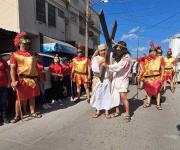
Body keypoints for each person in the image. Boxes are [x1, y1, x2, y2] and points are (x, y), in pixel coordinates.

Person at [10, 32, 41, 123]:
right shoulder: (15, 54)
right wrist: (13, 81)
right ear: (19, 44)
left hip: (33, 79)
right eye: (24, 44)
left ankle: (32, 112)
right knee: (19, 98)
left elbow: (35, 67)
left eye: (28, 44)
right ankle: (17, 115)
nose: (26, 45)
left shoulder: (32, 55)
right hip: (22, 79)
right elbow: (12, 69)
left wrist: (39, 75)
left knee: (32, 96)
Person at [102, 41, 132, 122]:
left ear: (123, 49)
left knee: (123, 97)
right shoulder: (117, 57)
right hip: (116, 79)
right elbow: (109, 54)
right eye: (117, 48)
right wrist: (112, 44)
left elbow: (119, 67)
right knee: (115, 96)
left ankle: (127, 113)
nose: (118, 49)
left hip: (123, 80)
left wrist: (107, 66)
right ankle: (117, 111)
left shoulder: (127, 56)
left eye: (119, 48)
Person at [138, 41, 165, 110]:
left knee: (157, 92)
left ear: (156, 52)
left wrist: (161, 77)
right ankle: (148, 103)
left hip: (156, 78)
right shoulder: (146, 59)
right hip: (147, 78)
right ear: (149, 52)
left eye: (154, 51)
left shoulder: (160, 58)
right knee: (148, 91)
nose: (152, 53)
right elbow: (141, 64)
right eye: (150, 51)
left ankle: (158, 104)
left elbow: (162, 69)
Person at [90, 44, 111, 119]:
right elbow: (94, 69)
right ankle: (98, 111)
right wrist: (101, 63)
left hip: (107, 79)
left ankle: (106, 111)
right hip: (98, 79)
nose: (103, 52)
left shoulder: (109, 58)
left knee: (107, 95)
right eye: (101, 50)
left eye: (104, 50)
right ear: (99, 51)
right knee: (98, 95)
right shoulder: (96, 58)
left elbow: (112, 68)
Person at [0, 57, 10, 125]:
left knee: (3, 102)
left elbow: (8, 71)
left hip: (3, 85)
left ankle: (4, 117)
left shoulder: (2, 60)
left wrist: (9, 81)